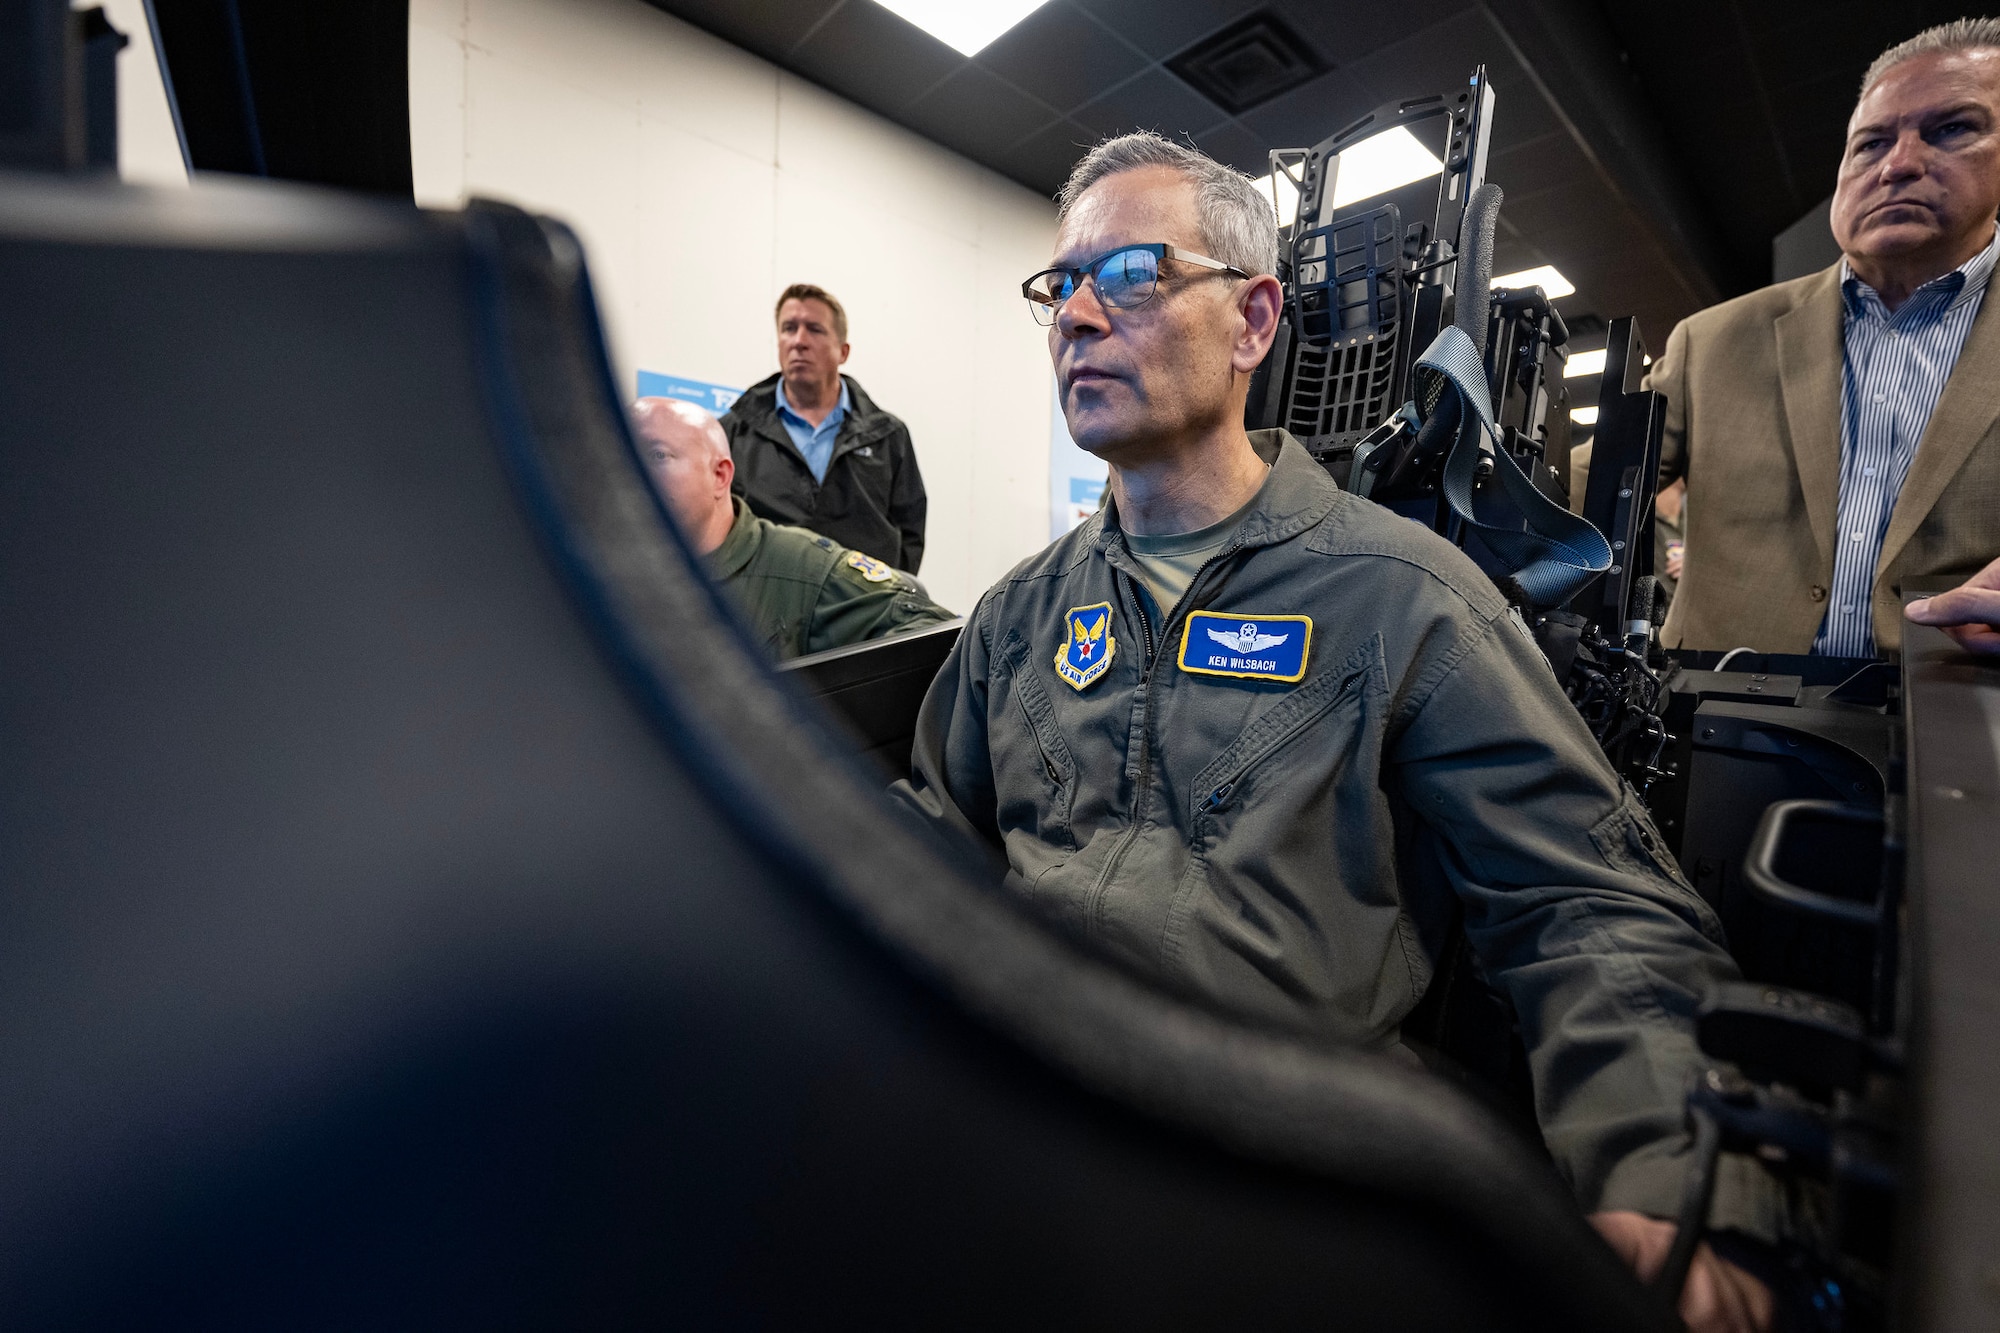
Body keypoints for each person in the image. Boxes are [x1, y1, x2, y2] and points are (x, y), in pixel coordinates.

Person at [890, 133, 1775, 1333]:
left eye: (1133, 273)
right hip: (1027, 1134)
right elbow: (922, 852)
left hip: (1279, 1177)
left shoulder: (1403, 597)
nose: (1078, 317)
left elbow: (1587, 903)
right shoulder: (1018, 614)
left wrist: (1665, 1182)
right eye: (1061, 286)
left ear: (1252, 321)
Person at [1652, 18, 2000, 657]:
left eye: (1952, 129)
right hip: (1716, 718)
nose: (1899, 164)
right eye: (1870, 143)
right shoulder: (1710, 341)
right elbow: (1578, 484)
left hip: (1957, 720)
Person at [632, 397, 953, 661]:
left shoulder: (803, 569)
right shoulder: (608, 571)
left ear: (720, 476)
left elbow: (937, 635)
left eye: (657, 455)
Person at [720, 284, 928, 573]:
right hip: (763, 609)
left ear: (843, 351)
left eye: (815, 329)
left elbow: (910, 534)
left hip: (865, 611)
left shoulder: (888, 435)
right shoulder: (733, 432)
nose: (799, 341)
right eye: (789, 328)